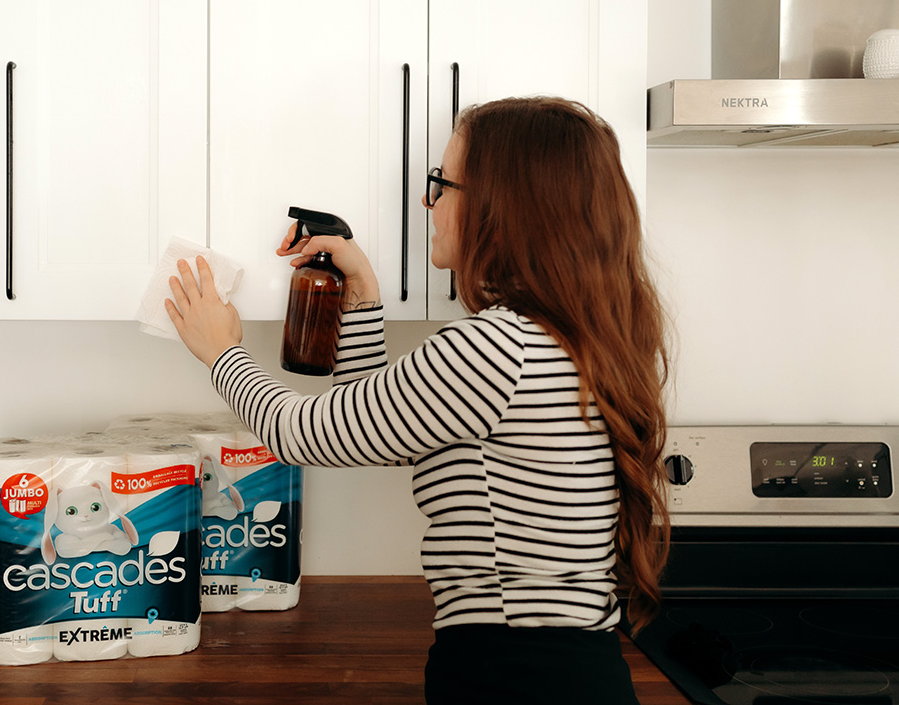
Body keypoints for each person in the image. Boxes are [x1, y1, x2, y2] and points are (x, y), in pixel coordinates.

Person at [164, 96, 671, 705]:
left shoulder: (496, 348)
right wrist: (362, 293)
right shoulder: (568, 337)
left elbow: (303, 433)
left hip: (513, 672)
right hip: (563, 665)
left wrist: (221, 352)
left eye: (442, 183)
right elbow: (381, 428)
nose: (429, 202)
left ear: (499, 209)